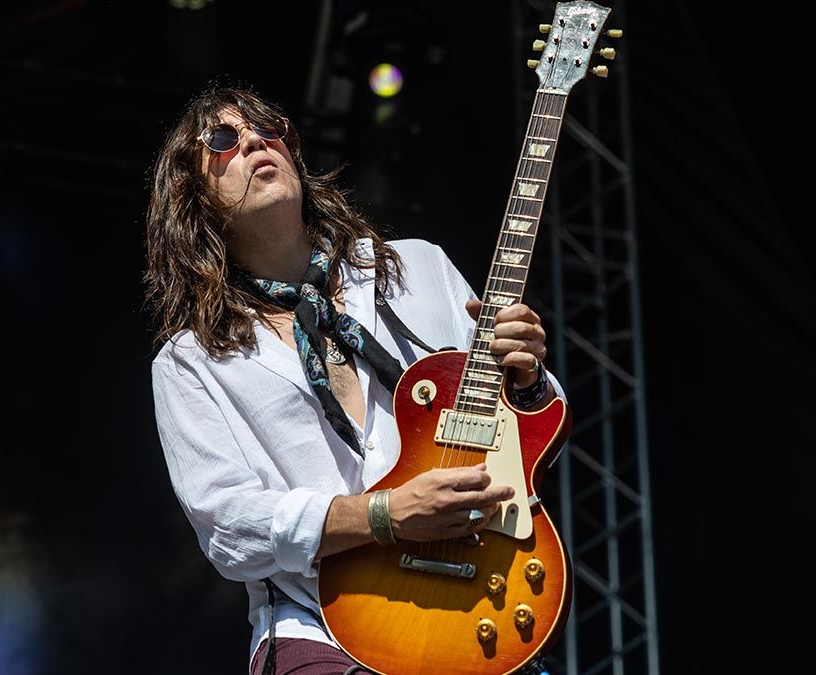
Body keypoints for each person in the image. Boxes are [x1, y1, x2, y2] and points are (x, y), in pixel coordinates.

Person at [145, 86, 563, 675]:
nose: (255, 142)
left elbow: (527, 428)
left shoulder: (417, 268)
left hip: (480, 595)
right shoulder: (191, 362)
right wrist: (384, 514)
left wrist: (527, 381)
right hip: (318, 626)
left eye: (269, 128)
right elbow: (230, 525)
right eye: (222, 141)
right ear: (193, 198)